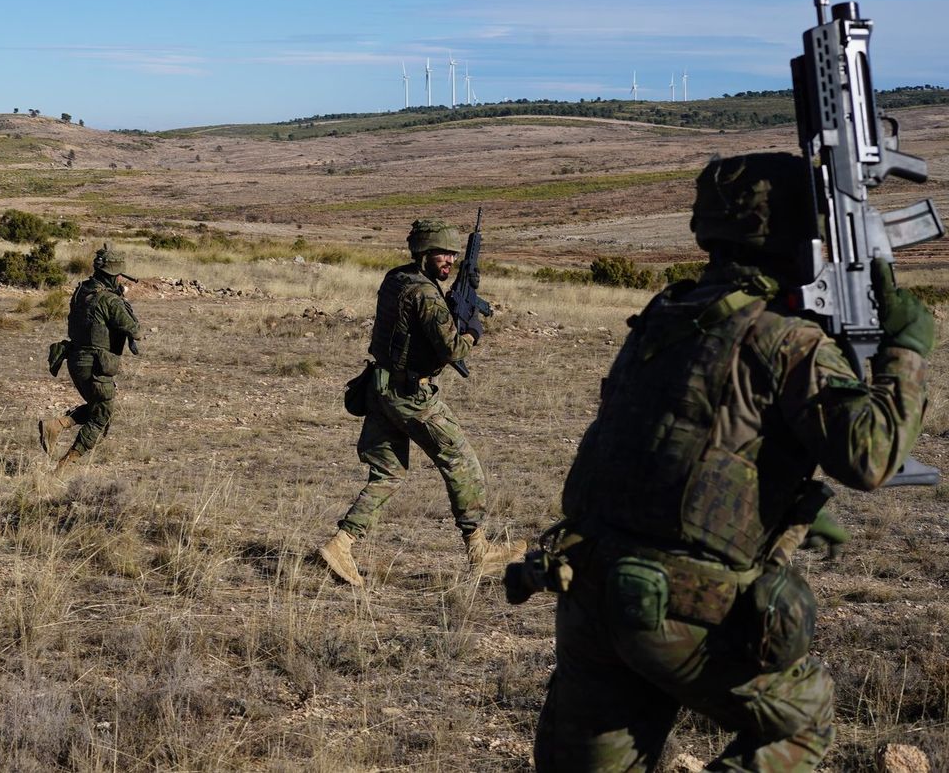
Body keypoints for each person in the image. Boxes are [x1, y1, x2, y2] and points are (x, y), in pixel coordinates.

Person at [530, 153, 931, 771]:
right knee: (802, 719)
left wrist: (780, 500)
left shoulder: (669, 313)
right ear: (803, 236)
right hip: (677, 611)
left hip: (589, 590)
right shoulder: (785, 338)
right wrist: (905, 350)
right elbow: (871, 458)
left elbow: (686, 436)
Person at [318, 219, 518, 587]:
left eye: (454, 254)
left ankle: (340, 544)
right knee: (461, 461)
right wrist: (473, 327)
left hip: (379, 386)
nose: (450, 260)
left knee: (388, 473)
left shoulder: (397, 279)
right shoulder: (425, 294)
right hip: (411, 396)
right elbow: (453, 348)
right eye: (443, 253)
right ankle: (478, 549)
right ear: (423, 254)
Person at [37, 244, 142, 476]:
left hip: (75, 359)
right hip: (95, 365)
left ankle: (58, 425)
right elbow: (134, 330)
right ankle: (63, 467)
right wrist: (122, 299)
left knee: (98, 408)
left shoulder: (82, 291)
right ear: (116, 273)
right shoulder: (109, 300)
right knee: (102, 417)